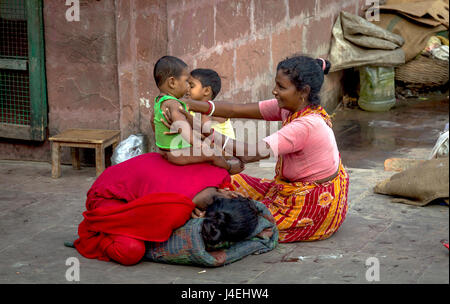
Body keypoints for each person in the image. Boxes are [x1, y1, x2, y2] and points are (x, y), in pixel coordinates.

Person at [163, 55, 349, 243]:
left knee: (235, 222)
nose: (274, 91)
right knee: (226, 182)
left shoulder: (307, 125)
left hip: (310, 204)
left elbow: (250, 154)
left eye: (281, 87)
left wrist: (205, 132)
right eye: (276, 85)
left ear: (304, 91)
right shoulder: (292, 107)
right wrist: (190, 105)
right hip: (287, 189)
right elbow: (235, 109)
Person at [73, 152, 248, 266]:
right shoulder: (175, 211)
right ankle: (97, 231)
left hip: (122, 176)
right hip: (107, 196)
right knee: (131, 251)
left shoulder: (220, 174)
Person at [151, 56, 242, 174]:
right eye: (186, 82)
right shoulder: (174, 104)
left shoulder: (158, 101)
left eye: (191, 84)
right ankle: (229, 168)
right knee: (211, 154)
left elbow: (152, 121)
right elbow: (182, 125)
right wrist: (198, 144)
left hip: (164, 151)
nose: (188, 87)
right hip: (178, 154)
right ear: (172, 82)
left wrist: (162, 138)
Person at [188, 68, 235, 140]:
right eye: (186, 85)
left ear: (206, 91)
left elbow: (204, 135)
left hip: (226, 149)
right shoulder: (192, 109)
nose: (187, 89)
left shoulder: (210, 111)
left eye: (191, 86)